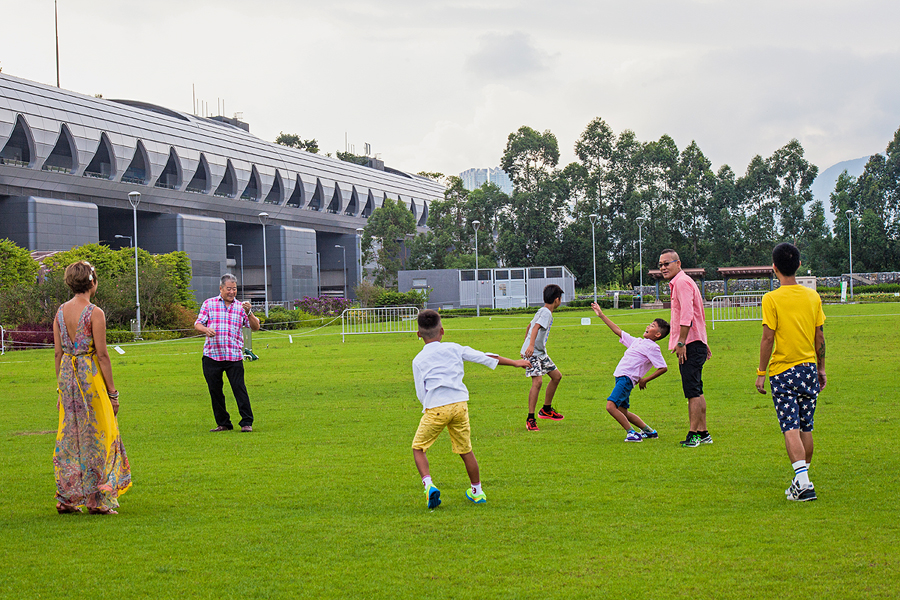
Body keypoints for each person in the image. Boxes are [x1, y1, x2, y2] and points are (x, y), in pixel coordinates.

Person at [412, 309, 529, 508]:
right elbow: (486, 356)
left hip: (436, 407)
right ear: (442, 331)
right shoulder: (454, 348)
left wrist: (427, 407)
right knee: (466, 450)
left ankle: (429, 485)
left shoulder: (418, 360)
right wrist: (515, 363)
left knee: (418, 448)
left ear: (418, 334)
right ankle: (477, 491)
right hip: (459, 405)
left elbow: (420, 391)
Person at [52, 260, 131, 515]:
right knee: (100, 434)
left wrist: (60, 389)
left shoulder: (60, 312)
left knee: (70, 436)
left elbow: (57, 353)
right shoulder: (94, 312)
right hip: (89, 376)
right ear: (92, 282)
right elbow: (103, 354)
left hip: (67, 375)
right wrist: (112, 393)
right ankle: (96, 499)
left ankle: (67, 497)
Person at [755, 243, 826, 502]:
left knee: (790, 427)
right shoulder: (813, 297)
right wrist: (821, 368)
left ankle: (804, 484)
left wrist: (761, 371)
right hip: (808, 369)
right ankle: (801, 480)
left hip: (783, 371)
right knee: (806, 428)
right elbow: (819, 336)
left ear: (774, 268)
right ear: (798, 265)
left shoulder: (771, 299)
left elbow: (767, 338)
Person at [591, 303, 669, 442]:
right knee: (622, 411)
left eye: (652, 326)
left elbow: (663, 367)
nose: (648, 326)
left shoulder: (653, 347)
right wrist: (601, 315)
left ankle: (632, 433)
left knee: (610, 406)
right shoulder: (637, 342)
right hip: (621, 378)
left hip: (627, 379)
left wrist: (645, 379)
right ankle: (649, 431)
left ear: (657, 334)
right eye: (649, 324)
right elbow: (617, 331)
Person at [659, 249, 712, 447]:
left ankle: (694, 435)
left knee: (692, 391)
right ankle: (703, 432)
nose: (663, 268)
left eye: (667, 263)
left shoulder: (681, 282)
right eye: (661, 265)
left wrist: (682, 342)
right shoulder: (683, 282)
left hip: (689, 343)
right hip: (695, 341)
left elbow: (687, 315)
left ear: (678, 263)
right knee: (696, 389)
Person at [194, 273, 260, 433]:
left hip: (233, 356)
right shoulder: (209, 304)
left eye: (234, 289)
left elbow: (255, 327)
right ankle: (223, 423)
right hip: (212, 355)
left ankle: (246, 422)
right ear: (221, 289)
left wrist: (249, 312)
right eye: (229, 289)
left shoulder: (241, 307)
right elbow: (198, 324)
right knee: (215, 391)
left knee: (239, 388)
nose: (232, 292)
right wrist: (206, 329)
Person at [521, 284, 565, 431]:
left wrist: (527, 344)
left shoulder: (542, 310)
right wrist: (530, 346)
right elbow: (534, 328)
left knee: (556, 376)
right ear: (557, 300)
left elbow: (529, 326)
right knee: (537, 382)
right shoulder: (546, 313)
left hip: (539, 352)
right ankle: (530, 419)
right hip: (533, 353)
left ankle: (546, 409)